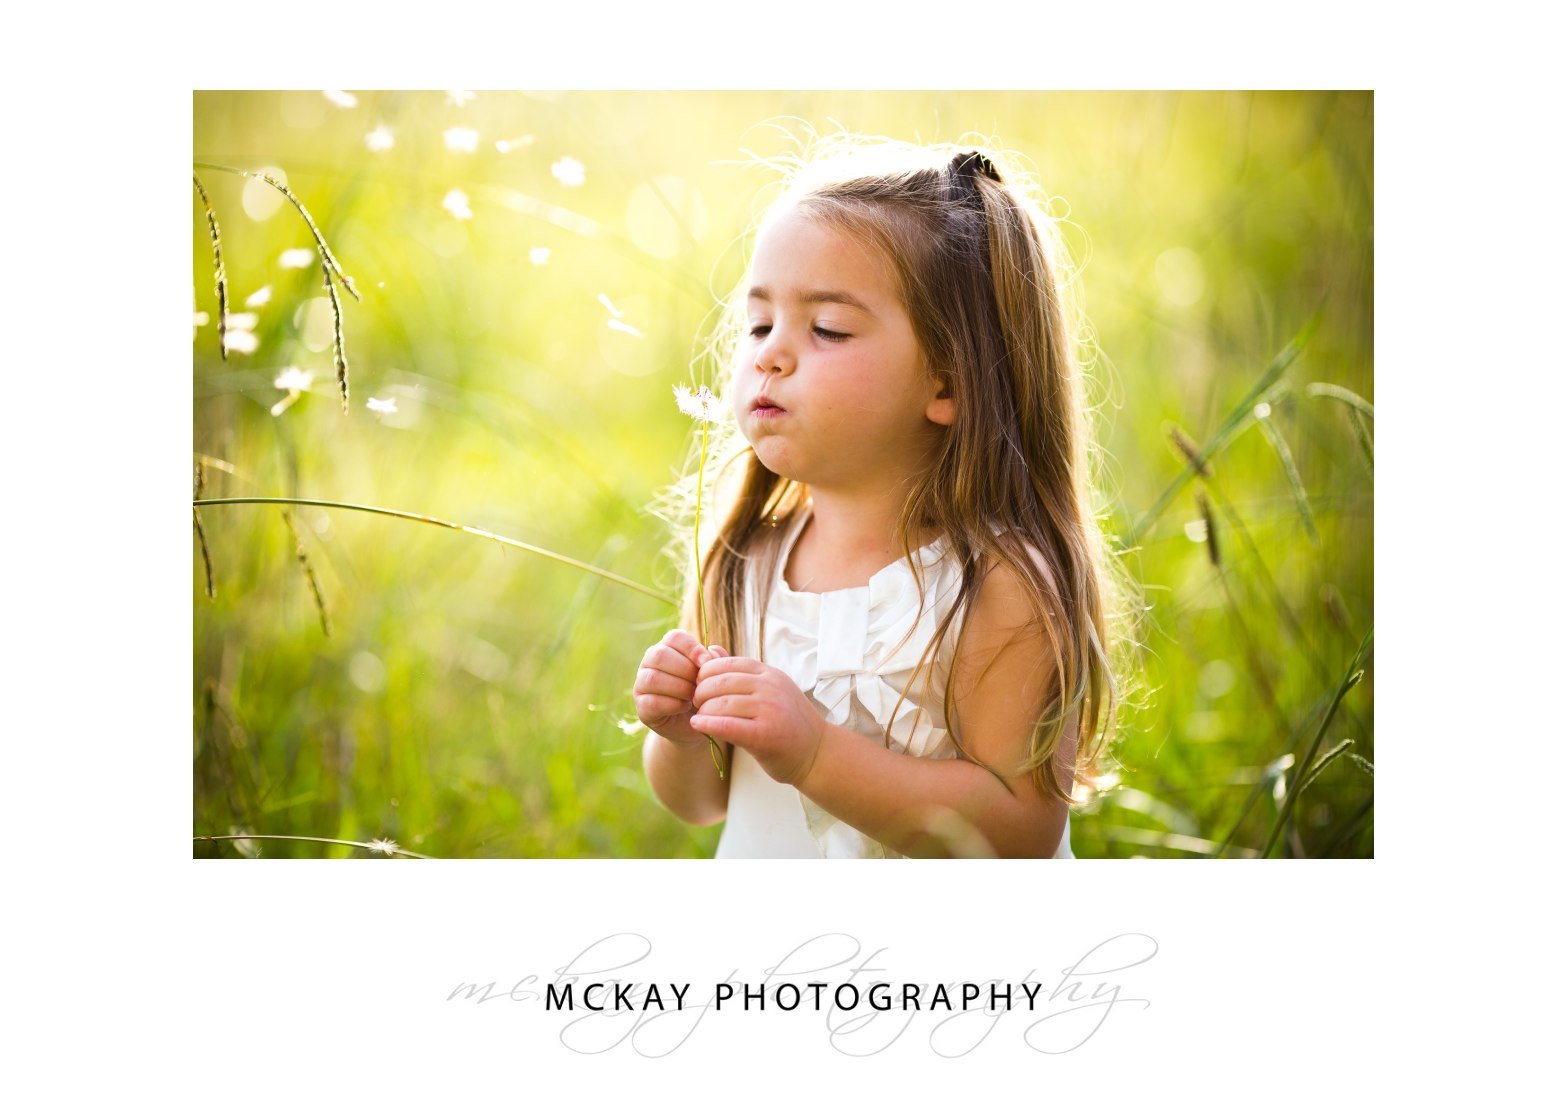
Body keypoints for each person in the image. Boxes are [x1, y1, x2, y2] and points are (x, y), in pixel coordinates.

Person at [636, 135, 1138, 858]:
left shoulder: (997, 583)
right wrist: (679, 734)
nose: (770, 353)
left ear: (947, 382)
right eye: (758, 323)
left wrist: (814, 755)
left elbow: (1018, 832)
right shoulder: (746, 557)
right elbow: (699, 803)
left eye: (828, 328)